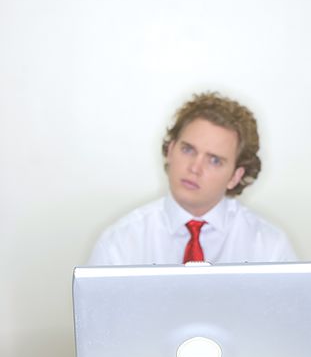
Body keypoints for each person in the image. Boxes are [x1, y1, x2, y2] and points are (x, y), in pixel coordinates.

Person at [87, 91, 297, 266]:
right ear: (170, 151)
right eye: (188, 150)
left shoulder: (270, 248)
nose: (195, 168)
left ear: (235, 176)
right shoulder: (119, 243)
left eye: (214, 160)